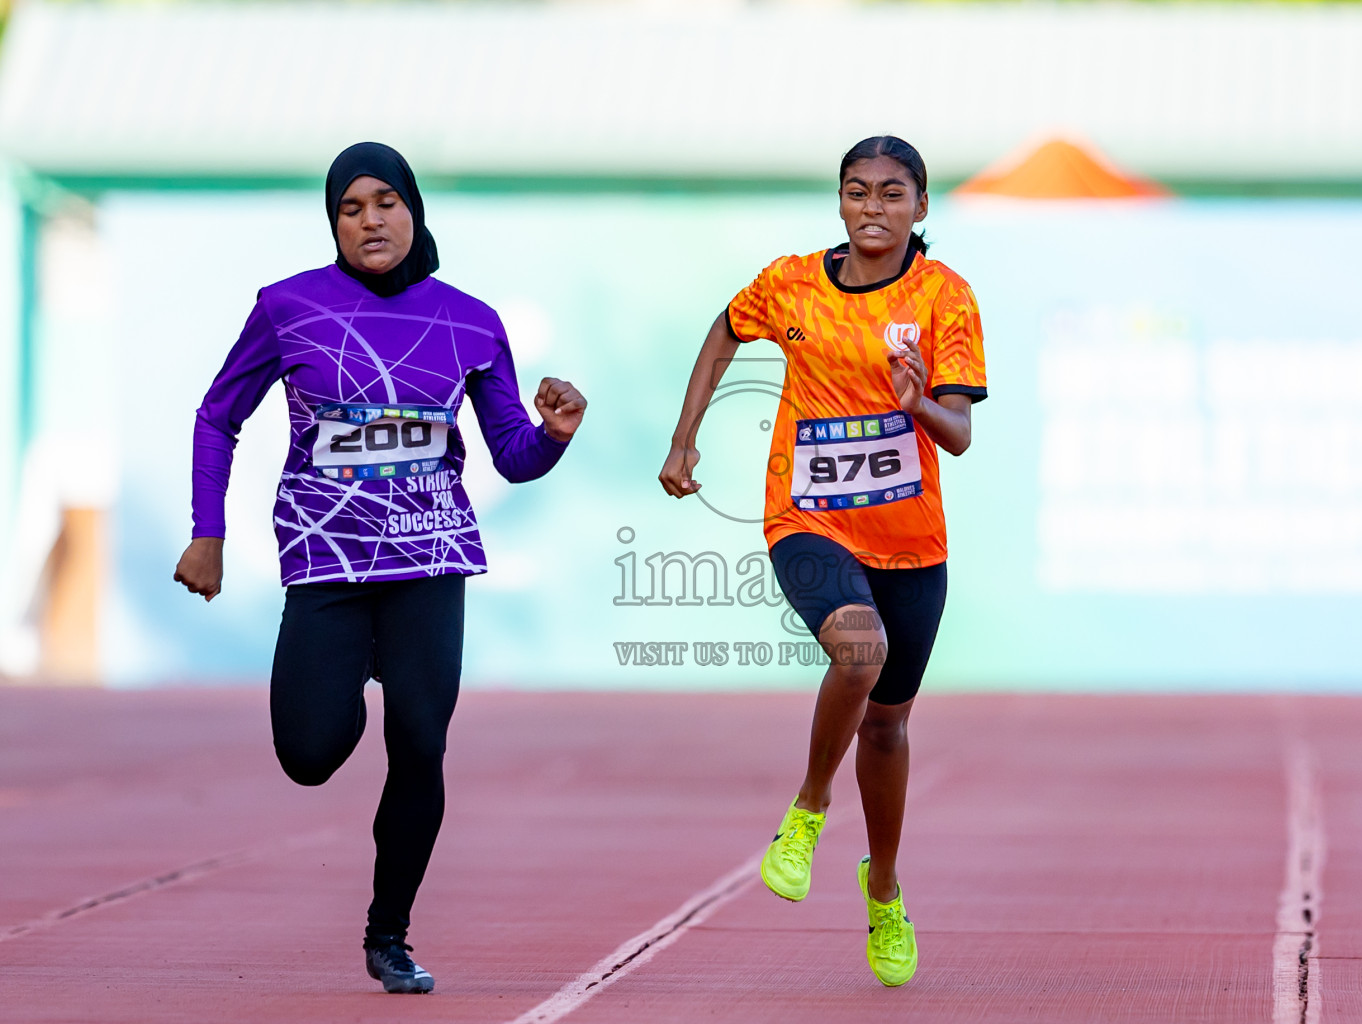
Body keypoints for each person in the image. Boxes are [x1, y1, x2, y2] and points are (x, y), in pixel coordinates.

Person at [173, 142, 585, 994]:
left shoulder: (471, 320)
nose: (370, 220)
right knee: (309, 753)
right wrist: (205, 532)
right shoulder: (288, 308)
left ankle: (388, 934)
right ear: (333, 222)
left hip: (431, 566)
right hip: (326, 568)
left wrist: (551, 434)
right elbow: (218, 417)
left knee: (421, 748)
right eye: (351, 207)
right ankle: (352, 686)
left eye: (386, 202)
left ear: (414, 211)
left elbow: (510, 455)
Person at [658, 135, 986, 987]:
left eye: (892, 193)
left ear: (921, 208)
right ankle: (807, 811)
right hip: (806, 521)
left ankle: (883, 890)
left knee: (888, 722)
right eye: (856, 191)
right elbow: (725, 330)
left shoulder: (945, 298)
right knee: (858, 648)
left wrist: (918, 404)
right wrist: (684, 437)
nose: (872, 207)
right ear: (840, 202)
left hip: (913, 545)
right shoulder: (792, 283)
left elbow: (960, 434)